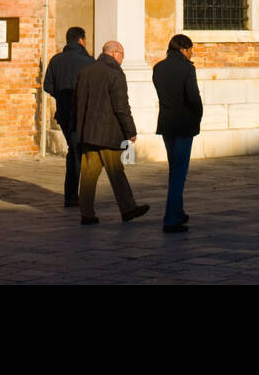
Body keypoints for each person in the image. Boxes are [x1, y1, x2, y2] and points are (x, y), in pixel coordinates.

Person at [73, 40, 149, 225]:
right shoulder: (115, 73)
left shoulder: (86, 71)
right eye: (122, 55)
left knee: (89, 174)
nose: (122, 59)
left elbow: (78, 102)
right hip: (108, 132)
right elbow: (121, 106)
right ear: (115, 53)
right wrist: (130, 130)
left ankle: (87, 213)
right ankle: (128, 208)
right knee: (116, 171)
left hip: (88, 132)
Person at [152, 33, 203, 233]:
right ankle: (172, 217)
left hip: (166, 124)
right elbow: (193, 97)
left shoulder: (158, 68)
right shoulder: (187, 69)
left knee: (174, 170)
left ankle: (178, 212)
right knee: (179, 173)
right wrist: (197, 116)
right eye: (190, 50)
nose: (191, 54)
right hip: (183, 125)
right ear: (183, 49)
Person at [43, 26, 95, 207]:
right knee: (77, 153)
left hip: (64, 113)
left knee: (74, 150)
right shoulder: (88, 61)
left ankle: (73, 194)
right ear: (81, 40)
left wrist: (61, 96)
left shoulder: (56, 60)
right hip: (82, 114)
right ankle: (74, 195)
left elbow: (47, 86)